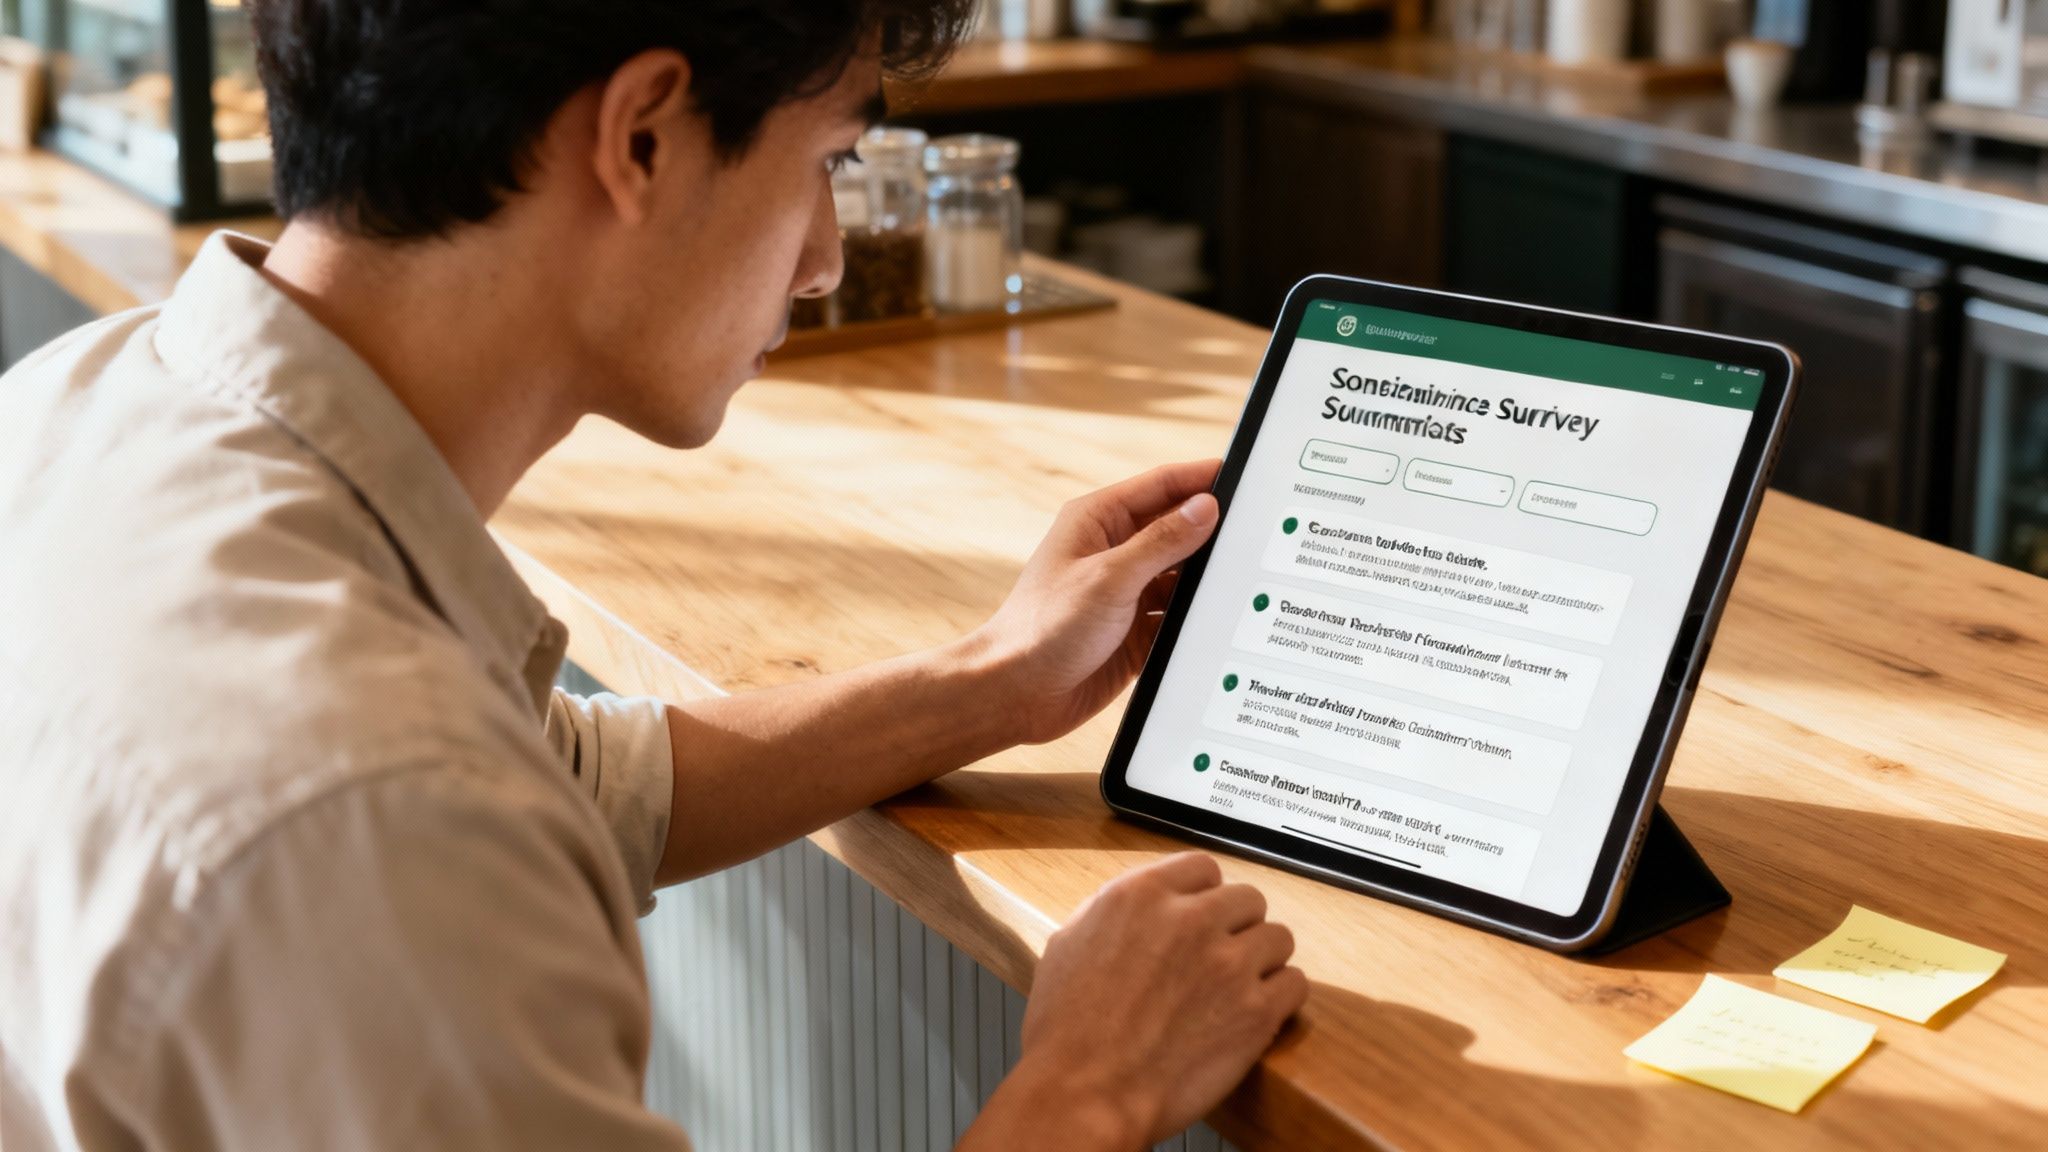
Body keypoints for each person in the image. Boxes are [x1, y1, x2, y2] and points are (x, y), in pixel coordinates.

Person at [0, 2, 1308, 1149]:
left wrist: (996, 680)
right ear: (644, 139)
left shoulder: (85, 397)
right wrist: (1088, 1091)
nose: (827, 256)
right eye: (827, 161)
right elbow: (431, 810)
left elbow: (556, 781)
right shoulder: (379, 809)